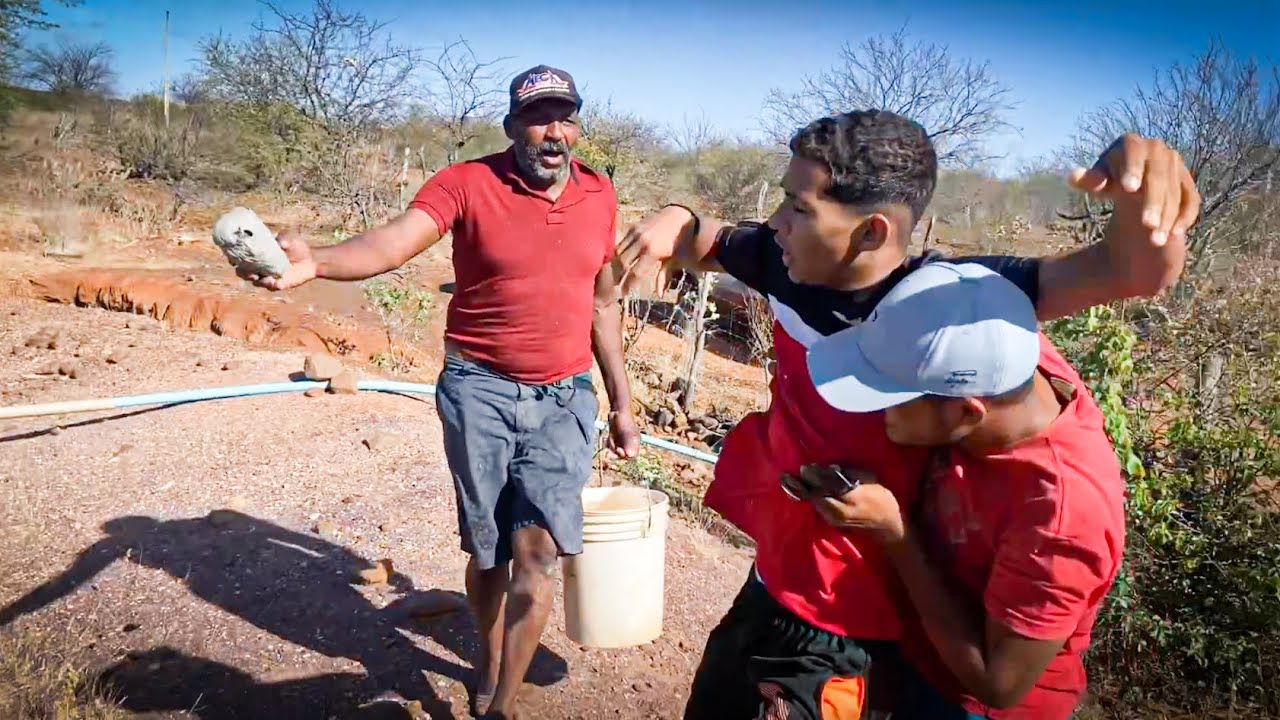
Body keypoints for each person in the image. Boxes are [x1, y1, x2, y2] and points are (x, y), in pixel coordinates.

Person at [615, 110, 1197, 719]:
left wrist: (1144, 189)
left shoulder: (957, 310)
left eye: (800, 207)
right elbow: (703, 237)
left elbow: (1130, 272)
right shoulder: (782, 259)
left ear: (871, 232)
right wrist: (673, 217)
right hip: (775, 580)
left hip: (857, 622)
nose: (777, 223)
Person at [235, 64, 642, 720]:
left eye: (566, 117)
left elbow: (603, 304)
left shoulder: (600, 194)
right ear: (512, 126)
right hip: (478, 387)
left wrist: (621, 404)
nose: (554, 132)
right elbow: (393, 243)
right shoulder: (466, 183)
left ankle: (497, 702)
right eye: (539, 118)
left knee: (537, 553)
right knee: (489, 552)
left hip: (566, 396)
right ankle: (485, 652)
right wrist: (318, 262)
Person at [796, 260, 1124, 719]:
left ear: (967, 415)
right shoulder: (998, 350)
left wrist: (896, 534)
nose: (878, 413)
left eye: (890, 398)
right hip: (917, 657)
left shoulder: (1062, 517)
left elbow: (999, 683)